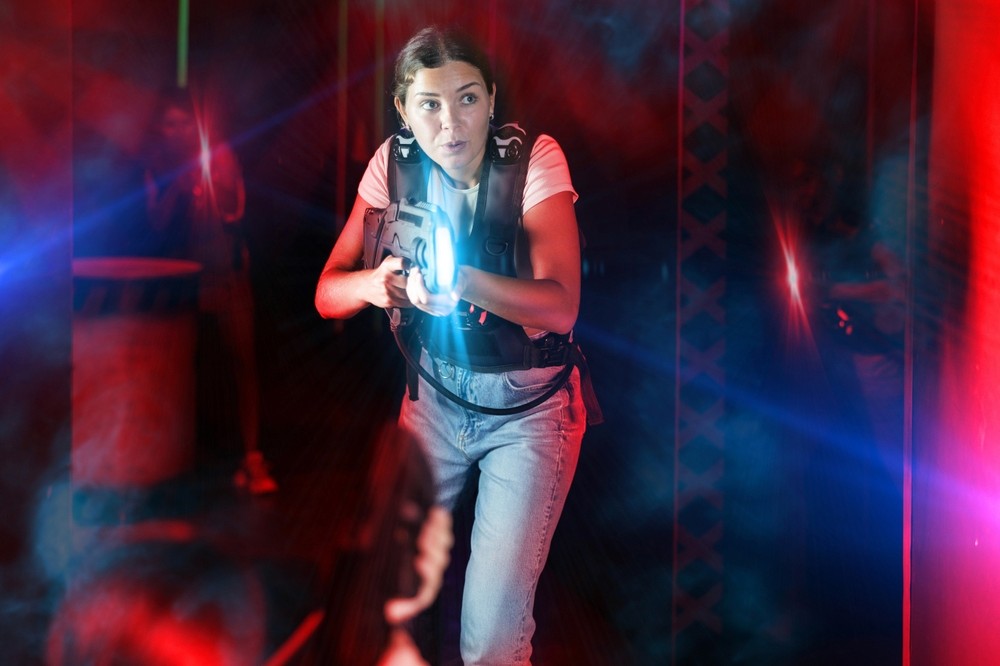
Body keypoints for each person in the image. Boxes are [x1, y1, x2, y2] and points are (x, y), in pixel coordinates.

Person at [315, 25, 596, 665]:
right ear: (403, 111)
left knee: (491, 639)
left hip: (528, 410)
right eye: (429, 104)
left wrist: (460, 281)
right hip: (433, 401)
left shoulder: (533, 158)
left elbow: (561, 306)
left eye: (467, 98)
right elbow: (328, 293)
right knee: (377, 605)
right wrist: (379, 284)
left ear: (491, 98)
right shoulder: (392, 162)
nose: (451, 123)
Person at [143, 88, 278, 495]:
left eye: (183, 122)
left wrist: (212, 180)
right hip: (181, 280)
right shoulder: (158, 165)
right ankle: (176, 460)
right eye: (169, 124)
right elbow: (156, 223)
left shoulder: (218, 155)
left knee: (242, 363)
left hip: (227, 274)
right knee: (181, 370)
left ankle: (252, 457)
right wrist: (178, 186)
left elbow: (234, 208)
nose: (176, 131)